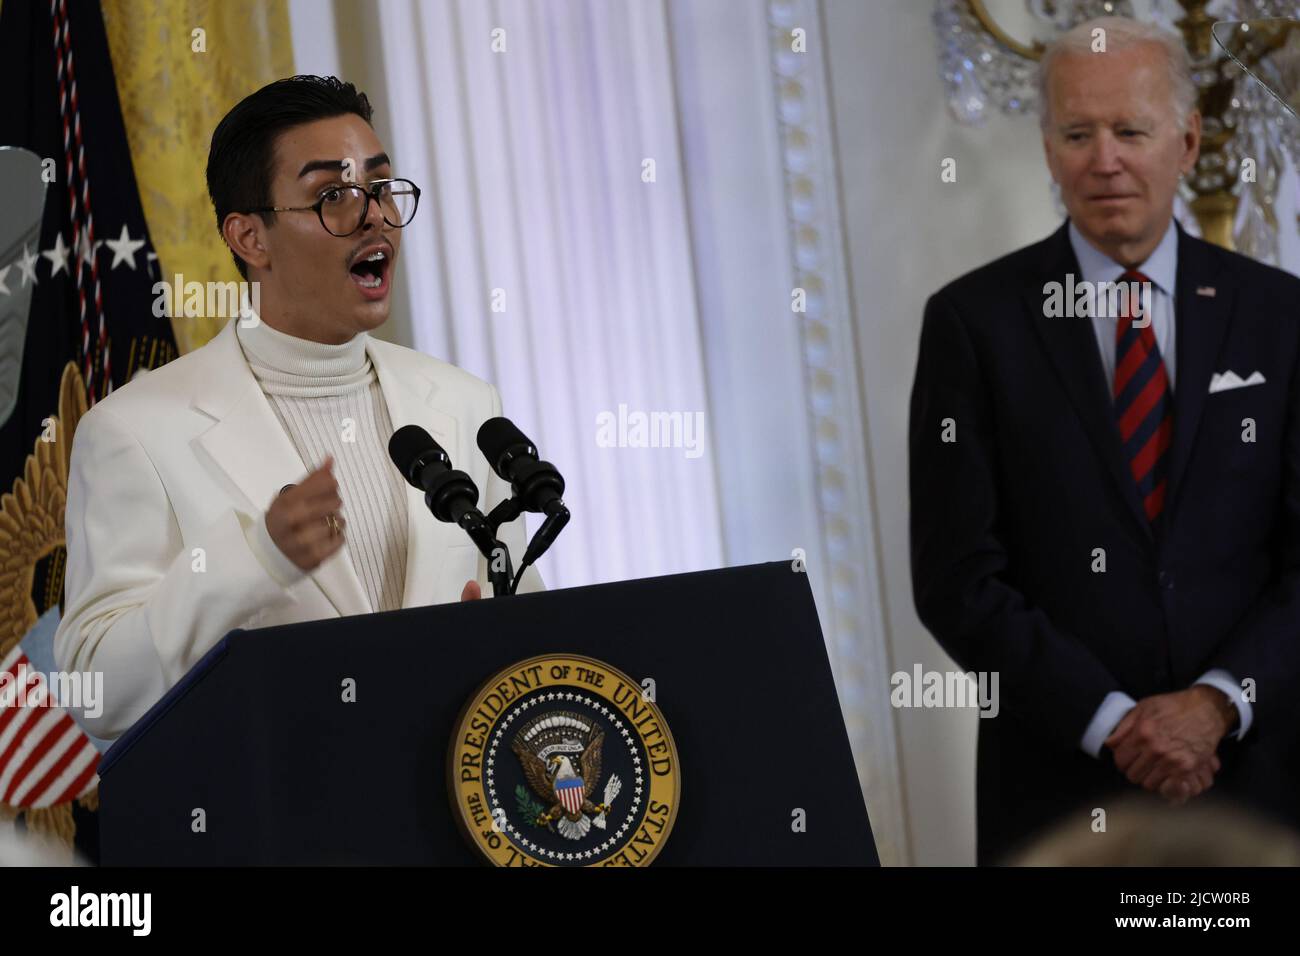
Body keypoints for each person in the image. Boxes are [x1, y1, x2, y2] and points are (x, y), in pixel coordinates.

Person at [909, 18, 1300, 864]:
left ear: (1188, 140)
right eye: (1078, 134)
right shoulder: (973, 325)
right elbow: (957, 580)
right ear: (1049, 150)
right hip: (1057, 787)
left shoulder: (1282, 315)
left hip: (1258, 782)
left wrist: (1217, 704)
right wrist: (1116, 725)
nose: (1105, 159)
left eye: (1131, 130)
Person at [55, 76, 540, 740]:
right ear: (250, 238)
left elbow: (532, 627)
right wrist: (254, 559)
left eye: (381, 187)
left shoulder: (461, 401)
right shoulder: (135, 431)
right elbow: (95, 689)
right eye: (332, 196)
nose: (374, 216)